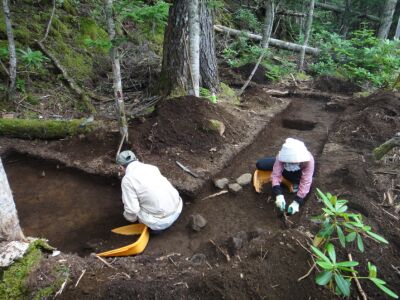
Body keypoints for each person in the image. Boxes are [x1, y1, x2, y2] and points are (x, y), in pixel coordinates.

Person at [116, 150, 183, 233]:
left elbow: (132, 210)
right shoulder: (151, 167)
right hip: (177, 208)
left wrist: (127, 217)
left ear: (121, 167)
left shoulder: (127, 180)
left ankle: (154, 230)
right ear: (136, 159)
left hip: (161, 221)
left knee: (133, 209)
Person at [256, 138, 314, 215]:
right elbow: (276, 175)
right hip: (284, 167)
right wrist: (279, 194)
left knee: (299, 180)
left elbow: (306, 181)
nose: (291, 164)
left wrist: (297, 201)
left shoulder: (308, 161)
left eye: (293, 163)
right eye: (289, 162)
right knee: (260, 164)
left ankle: (294, 182)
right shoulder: (281, 157)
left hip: (298, 172)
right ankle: (286, 174)